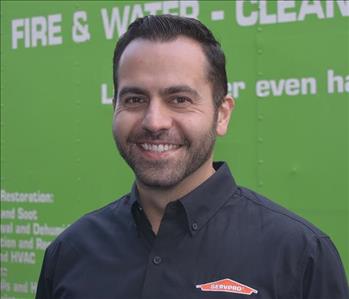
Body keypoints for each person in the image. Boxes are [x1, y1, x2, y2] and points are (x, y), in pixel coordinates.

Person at [36, 15, 348, 299]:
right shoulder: (70, 253)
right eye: (134, 99)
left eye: (180, 99)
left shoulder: (300, 256)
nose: (154, 121)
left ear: (222, 115)